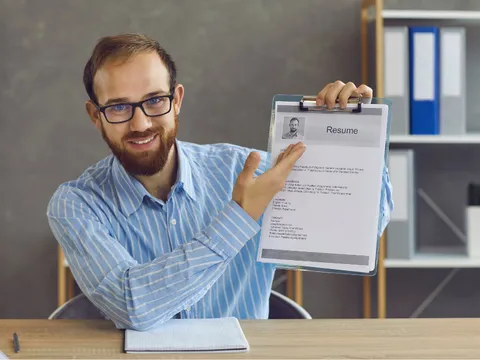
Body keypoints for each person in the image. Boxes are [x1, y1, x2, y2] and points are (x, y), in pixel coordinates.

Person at [46, 33, 393, 331]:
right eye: (119, 107)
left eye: (154, 101)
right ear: (95, 116)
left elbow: (356, 235)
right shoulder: (77, 204)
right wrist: (239, 218)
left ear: (177, 100)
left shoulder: (247, 171)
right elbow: (132, 305)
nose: (139, 124)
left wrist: (355, 143)